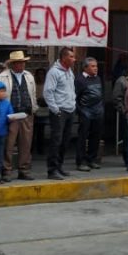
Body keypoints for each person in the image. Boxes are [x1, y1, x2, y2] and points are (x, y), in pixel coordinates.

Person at [0, 51, 38, 181]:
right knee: (9, 144)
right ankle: (6, 170)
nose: (22, 64)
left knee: (26, 144)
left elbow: (33, 93)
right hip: (11, 115)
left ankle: (24, 170)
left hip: (26, 114)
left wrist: (33, 109)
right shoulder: (2, 77)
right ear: (13, 64)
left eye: (23, 62)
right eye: (19, 62)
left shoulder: (29, 76)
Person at [44, 47, 77, 180]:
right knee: (56, 141)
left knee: (65, 140)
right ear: (64, 58)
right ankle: (52, 170)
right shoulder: (54, 72)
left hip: (70, 110)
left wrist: (73, 104)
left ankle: (59, 166)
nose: (74, 60)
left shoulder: (70, 71)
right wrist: (55, 110)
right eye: (71, 57)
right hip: (60, 111)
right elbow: (48, 92)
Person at [74, 57, 105, 171]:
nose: (96, 68)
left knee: (95, 136)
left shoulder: (98, 78)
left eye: (96, 66)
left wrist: (101, 109)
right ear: (85, 67)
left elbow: (101, 94)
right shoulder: (79, 80)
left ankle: (91, 159)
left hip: (98, 111)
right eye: (93, 66)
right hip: (85, 112)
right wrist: (81, 111)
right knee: (82, 137)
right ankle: (80, 161)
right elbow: (75, 97)